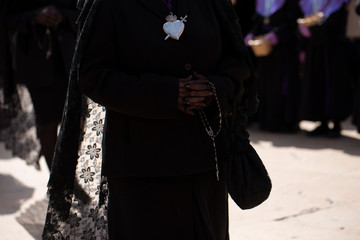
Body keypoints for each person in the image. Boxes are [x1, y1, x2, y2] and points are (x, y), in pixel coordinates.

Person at [42, 0, 257, 239]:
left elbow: (237, 62)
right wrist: (167, 93)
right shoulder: (108, 5)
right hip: (139, 166)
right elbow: (93, 75)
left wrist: (213, 88)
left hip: (204, 162)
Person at [6, 0, 78, 169]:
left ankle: (74, 178)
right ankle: (57, 183)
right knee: (48, 124)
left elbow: (89, 12)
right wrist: (35, 17)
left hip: (72, 61)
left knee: (77, 124)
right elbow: (7, 18)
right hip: (35, 65)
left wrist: (62, 15)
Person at [298, 0, 353, 138]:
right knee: (317, 84)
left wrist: (312, 30)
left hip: (334, 53)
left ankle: (336, 124)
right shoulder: (314, 3)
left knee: (334, 86)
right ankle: (322, 122)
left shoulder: (338, 4)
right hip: (316, 51)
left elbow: (335, 25)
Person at [244, 0, 301, 132]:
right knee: (265, 85)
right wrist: (252, 33)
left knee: (282, 85)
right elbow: (260, 20)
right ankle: (266, 121)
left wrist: (277, 34)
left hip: (284, 51)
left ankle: (284, 123)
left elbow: (292, 20)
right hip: (265, 50)